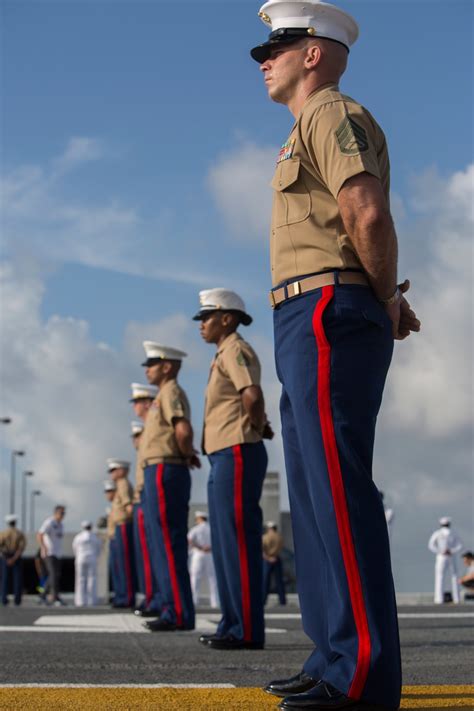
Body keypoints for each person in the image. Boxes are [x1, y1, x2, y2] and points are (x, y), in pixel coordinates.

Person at [250, 1, 420, 708]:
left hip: (328, 306)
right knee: (317, 496)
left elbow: (366, 212)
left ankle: (360, 674)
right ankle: (332, 656)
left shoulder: (330, 114)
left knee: (337, 491)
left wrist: (382, 296)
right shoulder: (304, 128)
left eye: (276, 47)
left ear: (313, 51)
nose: (263, 59)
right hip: (307, 309)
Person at [193, 288, 273, 650]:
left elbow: (252, 396)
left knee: (237, 542)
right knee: (226, 543)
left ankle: (246, 630)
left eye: (206, 317)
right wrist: (260, 425)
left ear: (227, 318)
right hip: (223, 453)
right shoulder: (223, 354)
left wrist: (255, 428)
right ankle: (232, 622)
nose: (201, 325)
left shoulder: (236, 349)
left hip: (237, 451)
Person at [139, 342, 199, 632]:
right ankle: (171, 607)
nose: (147, 369)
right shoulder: (162, 394)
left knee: (167, 542)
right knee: (161, 544)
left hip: (165, 467)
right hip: (158, 469)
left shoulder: (171, 391)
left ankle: (177, 611)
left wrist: (187, 454)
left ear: (166, 366)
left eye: (151, 364)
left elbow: (183, 429)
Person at [129, 412, 162, 618]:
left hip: (146, 496)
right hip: (143, 495)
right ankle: (153, 597)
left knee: (155, 552)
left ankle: (157, 598)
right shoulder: (142, 452)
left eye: (138, 435)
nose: (135, 440)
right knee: (149, 554)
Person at [107, 459, 136, 608]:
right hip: (119, 527)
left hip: (124, 525)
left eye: (113, 470)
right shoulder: (119, 485)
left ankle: (127, 597)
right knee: (119, 565)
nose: (111, 473)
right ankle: (122, 595)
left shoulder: (123, 483)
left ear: (122, 470)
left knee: (125, 564)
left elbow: (128, 505)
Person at [428, 517, 463, 604]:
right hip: (451, 556)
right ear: (449, 524)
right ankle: (456, 598)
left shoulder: (437, 533)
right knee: (454, 576)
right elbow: (460, 545)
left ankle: (439, 599)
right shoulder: (453, 533)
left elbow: (431, 545)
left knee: (439, 577)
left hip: (441, 557)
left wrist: (440, 551)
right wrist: (451, 551)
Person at [188, 511, 219, 608]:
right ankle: (215, 602)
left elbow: (189, 540)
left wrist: (200, 547)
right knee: (213, 579)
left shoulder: (196, 529)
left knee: (195, 578)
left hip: (199, 554)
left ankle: (193, 601)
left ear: (199, 518)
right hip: (210, 554)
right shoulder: (212, 529)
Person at [37, 505, 67, 606]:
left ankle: (43, 595)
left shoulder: (61, 525)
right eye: (61, 513)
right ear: (56, 513)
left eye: (64, 513)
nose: (63, 515)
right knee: (53, 575)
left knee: (55, 575)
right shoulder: (49, 522)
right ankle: (54, 597)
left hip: (57, 553)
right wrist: (43, 547)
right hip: (49, 553)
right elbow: (40, 534)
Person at [72, 521, 102, 607]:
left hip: (81, 558)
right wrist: (95, 557)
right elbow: (99, 549)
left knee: (80, 579)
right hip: (92, 558)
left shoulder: (78, 537)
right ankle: (91, 600)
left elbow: (74, 548)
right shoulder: (95, 537)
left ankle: (80, 601)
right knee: (92, 579)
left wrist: (78, 556)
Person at [0, 514, 26, 606]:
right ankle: (17, 600)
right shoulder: (19, 533)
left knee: (4, 579)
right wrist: (14, 558)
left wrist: (6, 558)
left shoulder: (3, 533)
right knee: (17, 579)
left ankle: (4, 599)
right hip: (16, 557)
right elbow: (21, 548)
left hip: (5, 556)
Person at [262, 521, 286, 606]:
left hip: (267, 560)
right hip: (276, 559)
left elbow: (262, 550)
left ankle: (263, 600)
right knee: (279, 581)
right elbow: (281, 548)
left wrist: (268, 558)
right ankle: (282, 600)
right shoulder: (279, 537)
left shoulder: (264, 537)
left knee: (265, 582)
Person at [104, 480, 119, 603]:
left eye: (109, 491)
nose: (107, 494)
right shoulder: (113, 506)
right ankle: (118, 594)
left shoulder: (117, 504)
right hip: (113, 539)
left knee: (120, 568)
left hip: (117, 537)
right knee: (115, 569)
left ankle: (122, 595)